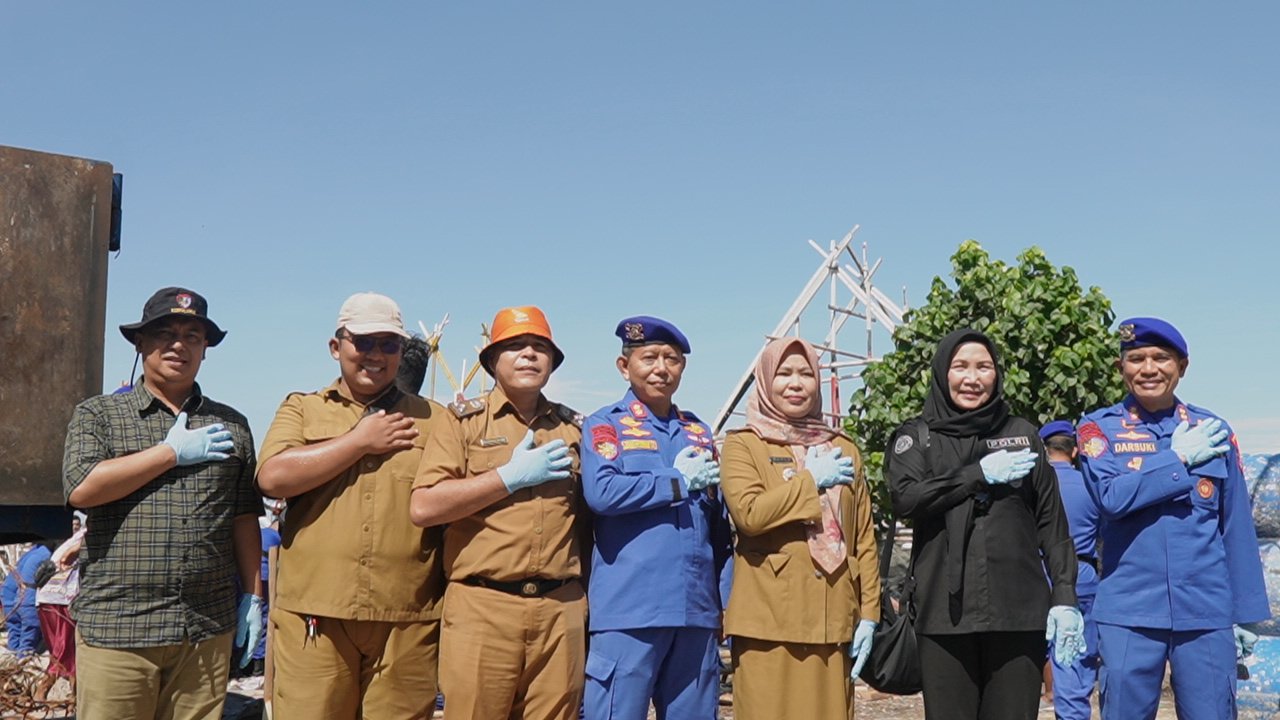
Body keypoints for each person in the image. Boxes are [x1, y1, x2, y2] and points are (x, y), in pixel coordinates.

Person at [62, 286, 262, 720]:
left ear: (205, 349)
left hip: (204, 630)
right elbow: (82, 486)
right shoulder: (99, 416)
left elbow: (244, 517)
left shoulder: (232, 425)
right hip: (119, 627)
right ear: (140, 343)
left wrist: (253, 597)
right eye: (165, 332)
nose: (179, 344)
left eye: (193, 335)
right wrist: (168, 453)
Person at [256, 292, 446, 719]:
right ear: (335, 346)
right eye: (363, 342)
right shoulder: (302, 409)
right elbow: (273, 477)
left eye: (389, 344)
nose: (375, 354)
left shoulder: (437, 420)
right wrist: (358, 442)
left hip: (407, 616)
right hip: (316, 614)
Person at [885, 328, 1084, 719]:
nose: (972, 378)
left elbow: (1052, 526)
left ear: (997, 375)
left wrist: (1064, 596)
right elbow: (906, 498)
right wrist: (975, 475)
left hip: (1017, 615)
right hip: (943, 617)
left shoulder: (1022, 435)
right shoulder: (917, 437)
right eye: (960, 366)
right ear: (943, 372)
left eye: (983, 367)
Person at [1077, 317, 1269, 719]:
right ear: (1121, 368)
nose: (1149, 368)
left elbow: (1235, 526)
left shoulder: (1213, 431)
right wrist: (1176, 459)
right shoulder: (1098, 429)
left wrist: (1247, 613)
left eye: (1162, 358)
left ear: (1182, 367)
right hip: (1129, 611)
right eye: (1137, 358)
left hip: (1205, 611)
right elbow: (1111, 498)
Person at [411, 305, 588, 720]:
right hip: (483, 607)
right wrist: (507, 478)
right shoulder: (462, 424)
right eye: (515, 346)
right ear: (491, 361)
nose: (529, 354)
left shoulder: (574, 430)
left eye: (540, 347)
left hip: (561, 609)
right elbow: (425, 506)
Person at [579, 316, 733, 720]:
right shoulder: (604, 424)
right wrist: (676, 481)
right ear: (623, 366)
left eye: (672, 359)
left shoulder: (697, 431)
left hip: (695, 612)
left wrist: (726, 600)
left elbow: (719, 527)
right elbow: (603, 493)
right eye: (649, 357)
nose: (661, 368)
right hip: (630, 609)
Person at [719, 336, 880, 720]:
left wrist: (871, 613)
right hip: (769, 621)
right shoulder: (744, 445)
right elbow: (750, 514)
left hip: (833, 617)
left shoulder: (843, 448)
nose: (795, 383)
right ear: (765, 380)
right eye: (784, 373)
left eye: (806, 373)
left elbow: (862, 538)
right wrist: (810, 482)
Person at [1038, 421, 1100, 720]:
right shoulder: (1090, 485)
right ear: (1075, 450)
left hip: (1036, 575)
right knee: (1076, 659)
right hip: (1081, 575)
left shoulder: (1032, 486)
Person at [36, 517, 87, 697]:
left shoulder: (71, 540)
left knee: (67, 652)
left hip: (46, 599)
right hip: (63, 600)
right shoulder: (87, 538)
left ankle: (75, 697)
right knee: (65, 651)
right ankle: (42, 692)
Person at [2, 542, 53, 656]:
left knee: (14, 636)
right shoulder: (46, 554)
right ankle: (22, 664)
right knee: (27, 644)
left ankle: (12, 664)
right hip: (27, 601)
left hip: (11, 599)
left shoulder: (31, 554)